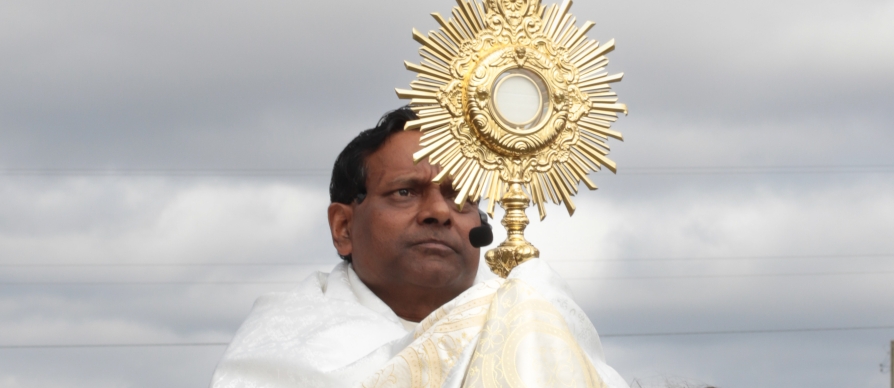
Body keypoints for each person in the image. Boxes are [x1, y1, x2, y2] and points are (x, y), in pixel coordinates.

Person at [210, 107, 627, 388]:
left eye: (460, 196)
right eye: (406, 192)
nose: (440, 212)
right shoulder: (285, 347)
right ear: (343, 226)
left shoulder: (533, 313)